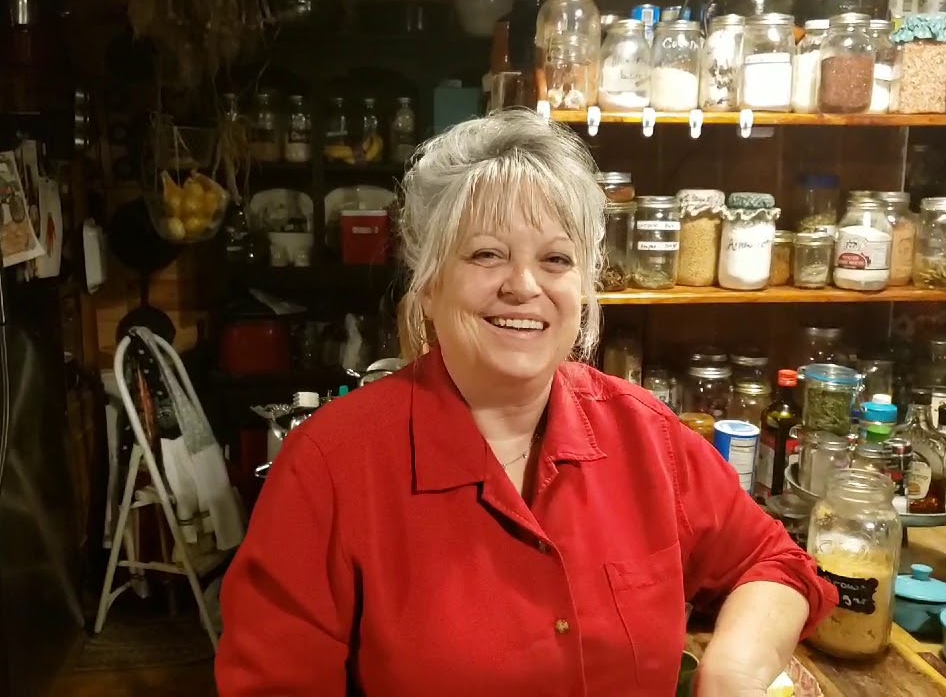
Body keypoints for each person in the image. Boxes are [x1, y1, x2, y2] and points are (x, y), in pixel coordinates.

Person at [216, 109, 837, 696]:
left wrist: (730, 671)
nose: (524, 286)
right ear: (429, 284)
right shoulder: (329, 468)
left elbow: (774, 562)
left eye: (556, 259)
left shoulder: (644, 436)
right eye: (487, 253)